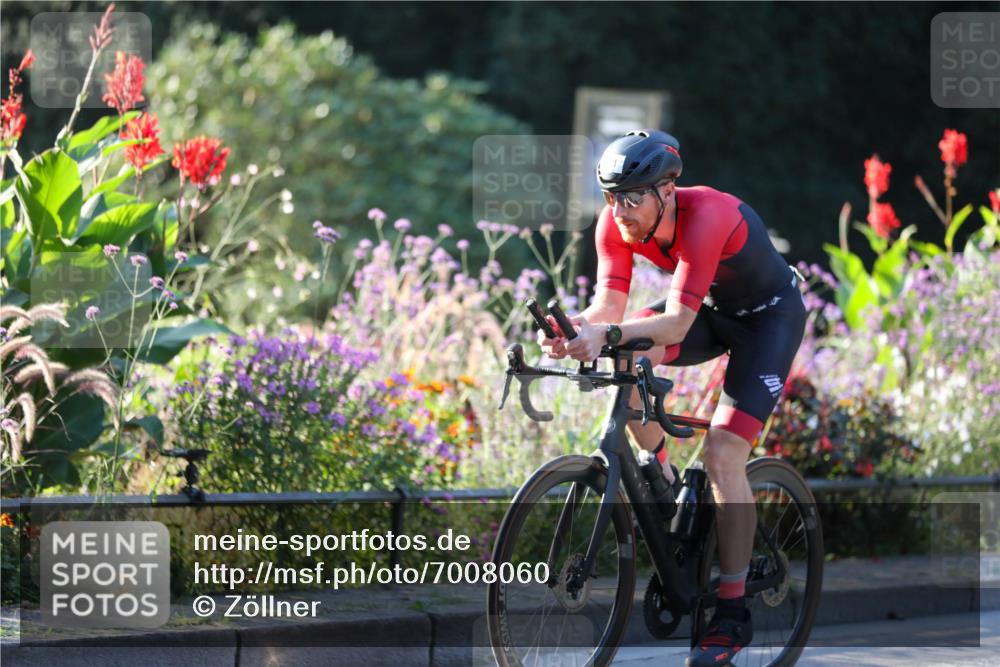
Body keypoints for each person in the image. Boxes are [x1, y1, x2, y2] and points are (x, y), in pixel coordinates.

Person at [537, 129, 806, 666]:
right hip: (714, 309)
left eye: (632, 197)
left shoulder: (706, 215)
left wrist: (606, 335)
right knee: (627, 349)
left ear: (668, 190)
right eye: (610, 196)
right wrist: (572, 331)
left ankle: (731, 612)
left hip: (768, 320)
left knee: (724, 453)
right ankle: (657, 473)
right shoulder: (614, 224)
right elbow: (609, 307)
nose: (620, 210)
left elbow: (678, 321)